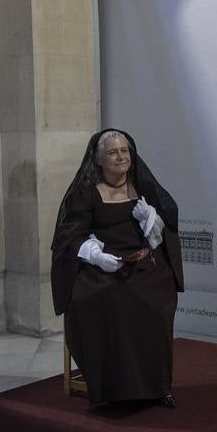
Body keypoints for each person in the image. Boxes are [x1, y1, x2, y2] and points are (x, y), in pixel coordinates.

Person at [50, 128, 183, 407]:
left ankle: (157, 387)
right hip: (103, 268)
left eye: (124, 151)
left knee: (156, 298)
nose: (120, 156)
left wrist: (153, 221)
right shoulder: (85, 193)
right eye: (112, 152)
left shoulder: (142, 188)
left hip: (144, 265)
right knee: (105, 298)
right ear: (98, 159)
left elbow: (168, 226)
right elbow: (68, 237)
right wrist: (96, 256)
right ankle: (114, 390)